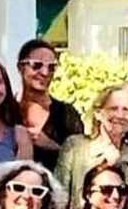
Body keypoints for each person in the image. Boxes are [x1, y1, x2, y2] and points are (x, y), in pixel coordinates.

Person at [55, 84, 128, 209]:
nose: (120, 115)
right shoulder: (75, 148)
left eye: (126, 110)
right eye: (113, 108)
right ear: (98, 113)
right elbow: (58, 201)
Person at [15, 39, 83, 169]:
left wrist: (51, 145)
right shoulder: (6, 111)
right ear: (20, 67)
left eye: (51, 67)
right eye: (36, 65)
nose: (45, 73)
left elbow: (80, 161)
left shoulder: (67, 115)